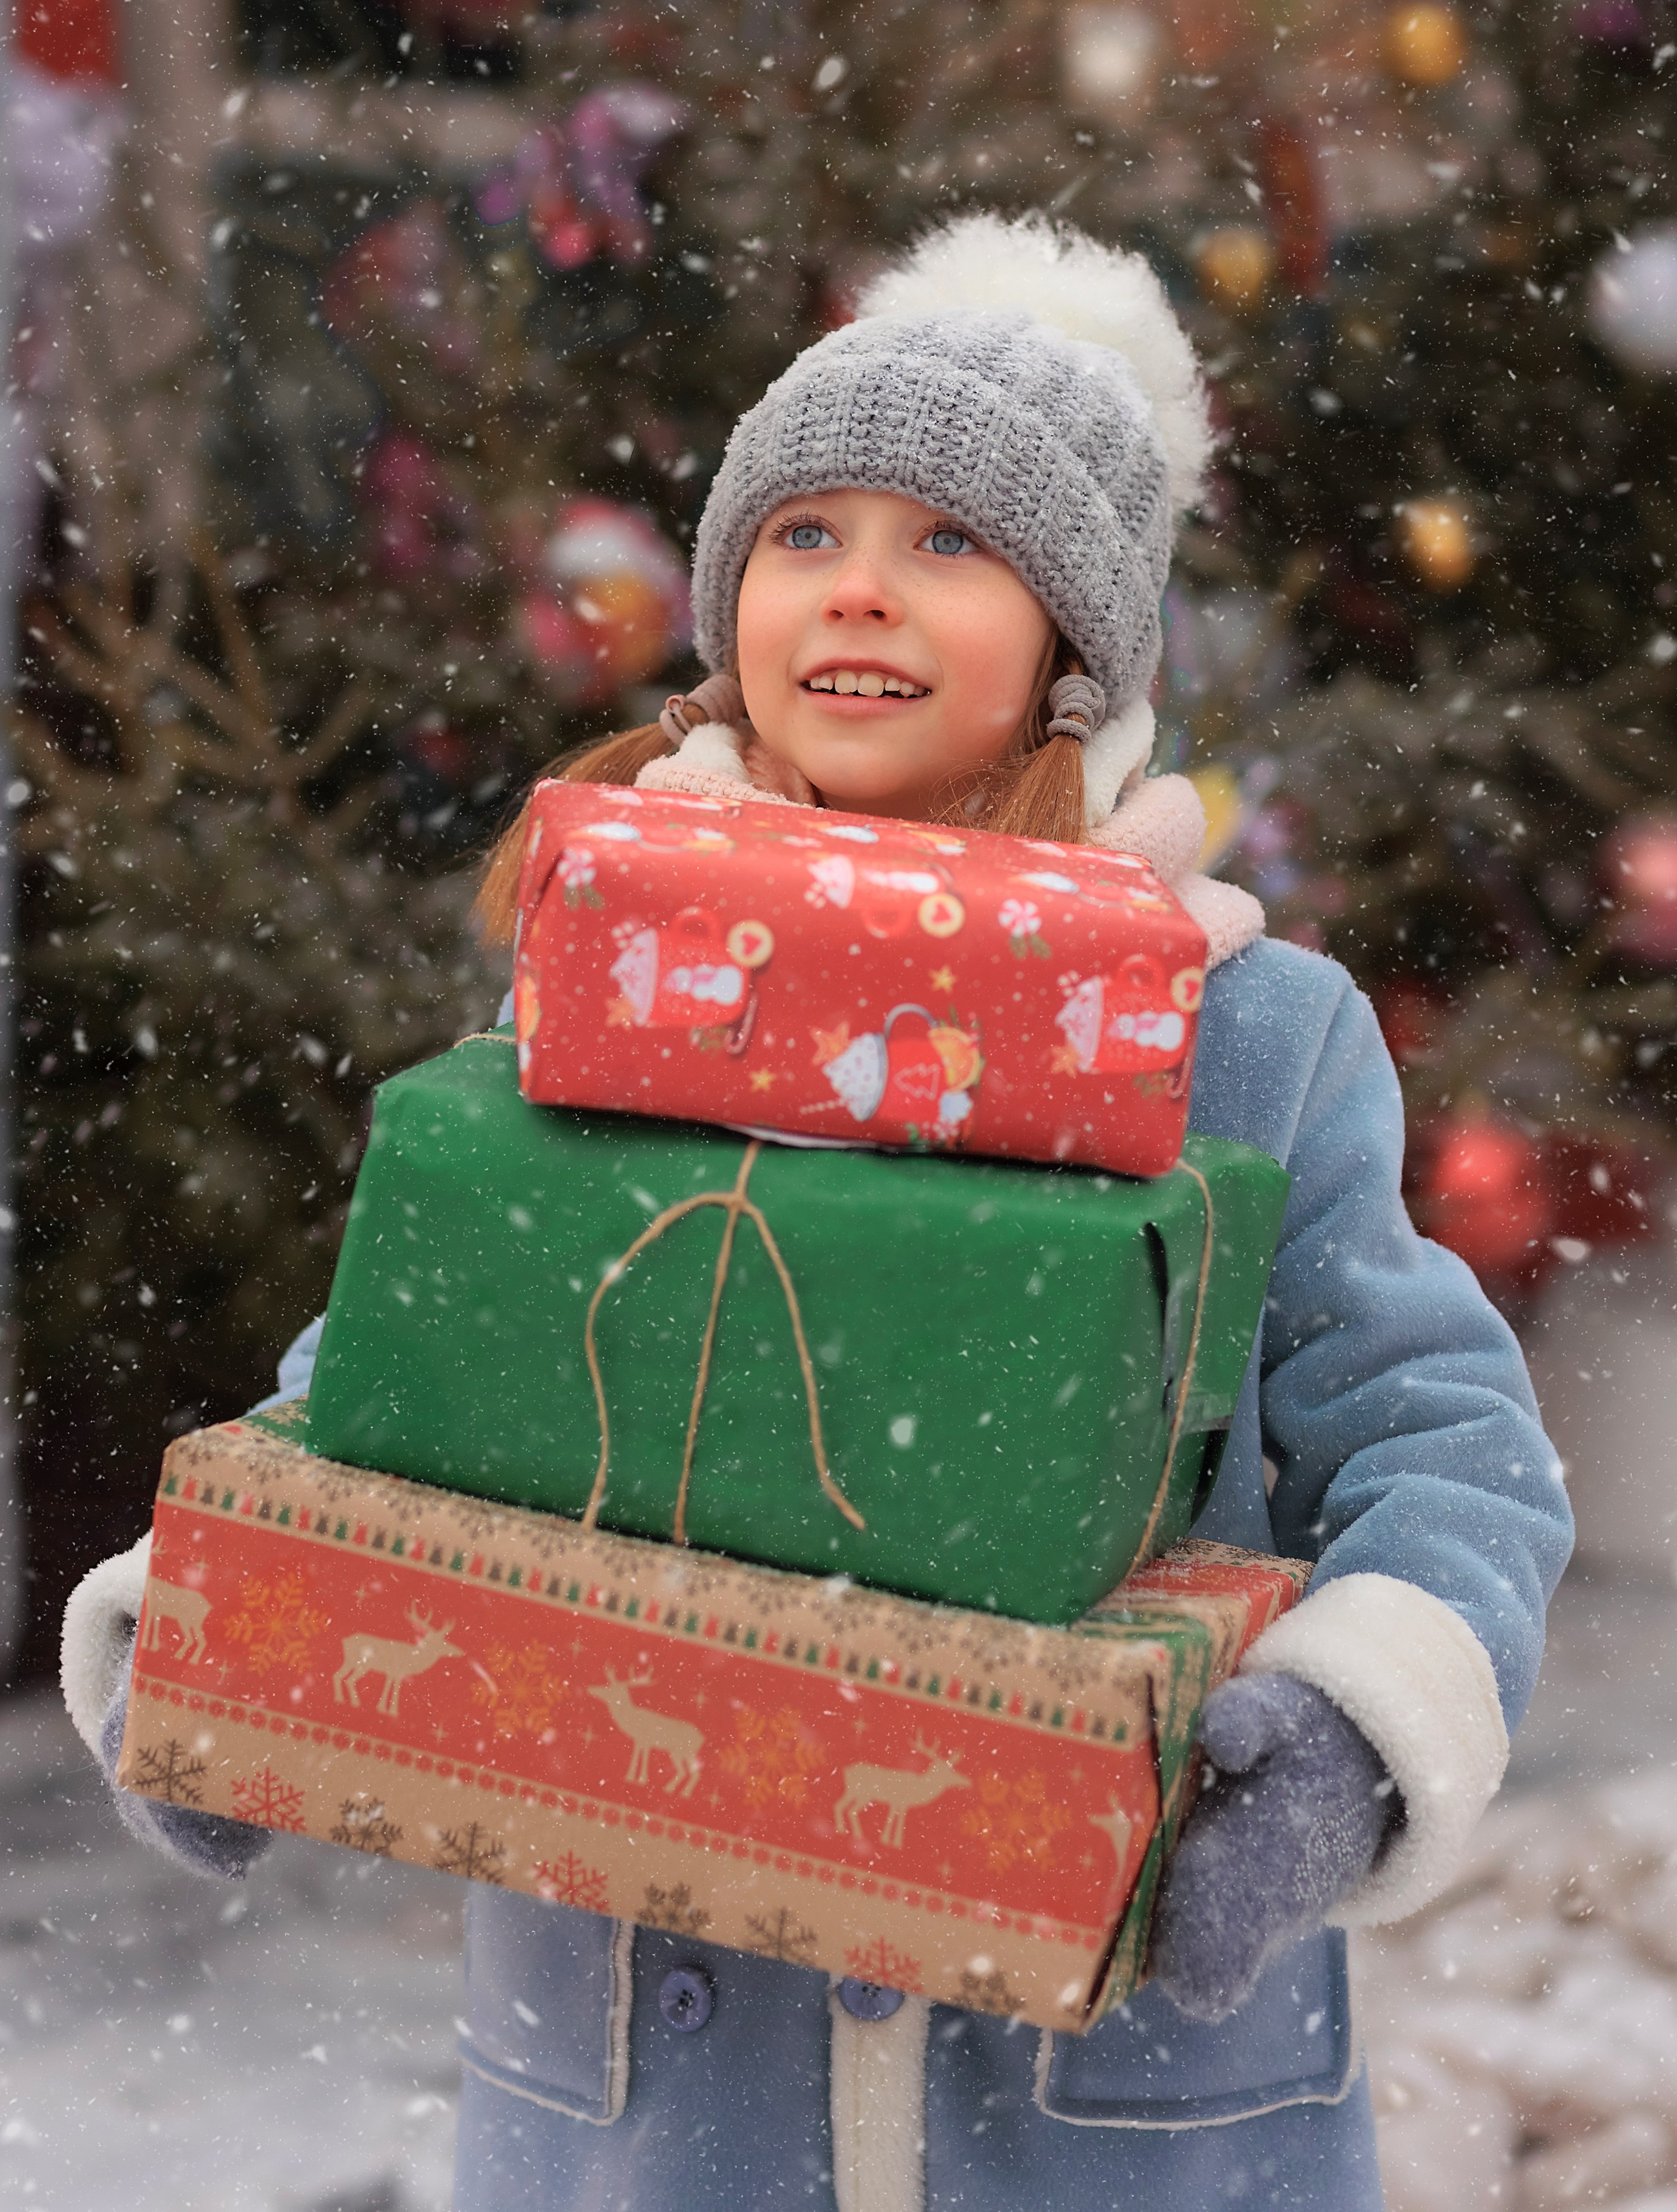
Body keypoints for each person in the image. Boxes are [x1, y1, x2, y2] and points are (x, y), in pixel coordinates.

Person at [62, 212, 1572, 2212]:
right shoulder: (613, 978)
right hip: (667, 2096)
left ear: (1077, 647)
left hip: (1100, 2112)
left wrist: (1349, 1738)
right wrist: (215, 1618)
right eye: (803, 533)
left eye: (949, 541)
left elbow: (1448, 1443)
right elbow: (424, 1354)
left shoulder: (1241, 1036)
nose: (861, 585)